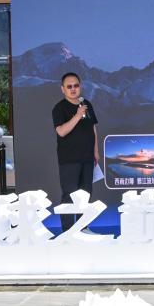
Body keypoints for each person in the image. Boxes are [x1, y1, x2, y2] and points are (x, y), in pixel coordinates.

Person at [52, 72, 99, 232]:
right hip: (69, 160)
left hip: (87, 158)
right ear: (63, 89)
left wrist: (96, 151)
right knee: (69, 194)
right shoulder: (59, 108)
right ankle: (67, 231)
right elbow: (61, 131)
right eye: (69, 86)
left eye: (76, 85)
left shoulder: (87, 104)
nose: (73, 89)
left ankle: (83, 228)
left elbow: (93, 129)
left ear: (81, 87)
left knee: (85, 194)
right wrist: (78, 116)